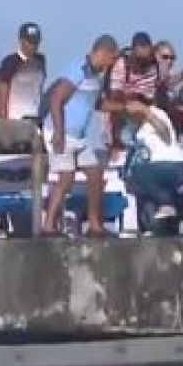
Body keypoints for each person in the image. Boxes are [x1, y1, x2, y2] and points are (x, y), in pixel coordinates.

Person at [42, 35, 122, 236]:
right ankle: (48, 225)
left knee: (95, 175)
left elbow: (96, 104)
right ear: (103, 53)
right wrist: (59, 133)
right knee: (66, 178)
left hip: (80, 135)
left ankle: (95, 224)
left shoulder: (96, 77)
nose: (111, 64)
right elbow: (56, 99)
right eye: (112, 59)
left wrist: (125, 108)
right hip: (61, 131)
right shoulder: (78, 69)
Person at [123, 95, 183, 236]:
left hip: (168, 164)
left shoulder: (156, 113)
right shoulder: (137, 127)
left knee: (138, 173)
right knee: (137, 183)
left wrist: (146, 111)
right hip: (153, 168)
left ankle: (166, 203)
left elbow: (165, 133)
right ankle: (153, 227)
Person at [0, 22, 47, 122]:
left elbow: (39, 87)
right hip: (15, 116)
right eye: (30, 42)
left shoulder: (40, 60)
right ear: (21, 41)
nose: (33, 46)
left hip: (35, 116)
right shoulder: (11, 61)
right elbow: (3, 87)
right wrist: (3, 116)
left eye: (36, 42)